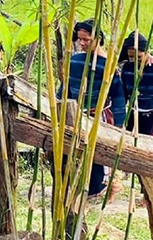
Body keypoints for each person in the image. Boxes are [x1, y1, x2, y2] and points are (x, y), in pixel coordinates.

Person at [62, 20, 127, 200]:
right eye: (80, 39)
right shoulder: (74, 60)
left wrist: (119, 125)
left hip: (98, 116)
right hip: (74, 114)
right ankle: (79, 188)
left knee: (99, 153)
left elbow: (118, 96)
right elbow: (65, 87)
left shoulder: (109, 65)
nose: (82, 43)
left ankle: (105, 186)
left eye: (86, 40)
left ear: (98, 38)